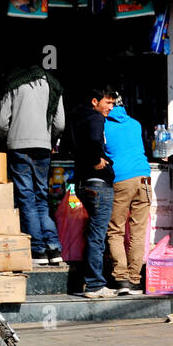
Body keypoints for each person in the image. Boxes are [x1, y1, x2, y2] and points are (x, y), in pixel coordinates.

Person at [0, 58, 65, 266]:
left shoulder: (14, 83)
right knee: (41, 199)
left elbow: (1, 121)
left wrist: (11, 137)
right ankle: (53, 248)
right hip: (43, 147)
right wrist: (47, 137)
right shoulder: (53, 85)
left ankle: (37, 251)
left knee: (26, 198)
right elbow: (60, 123)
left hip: (18, 147)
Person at [69, 86, 117, 299]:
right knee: (97, 235)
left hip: (82, 182)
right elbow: (94, 142)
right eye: (108, 102)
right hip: (98, 185)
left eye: (113, 103)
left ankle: (88, 279)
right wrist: (97, 161)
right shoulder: (96, 119)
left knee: (90, 234)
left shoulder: (75, 117)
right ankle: (96, 284)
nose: (111, 107)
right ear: (95, 101)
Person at [104, 98, 152, 295]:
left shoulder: (104, 124)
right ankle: (135, 280)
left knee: (115, 231)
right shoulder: (135, 123)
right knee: (138, 232)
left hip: (121, 179)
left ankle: (121, 278)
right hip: (145, 178)